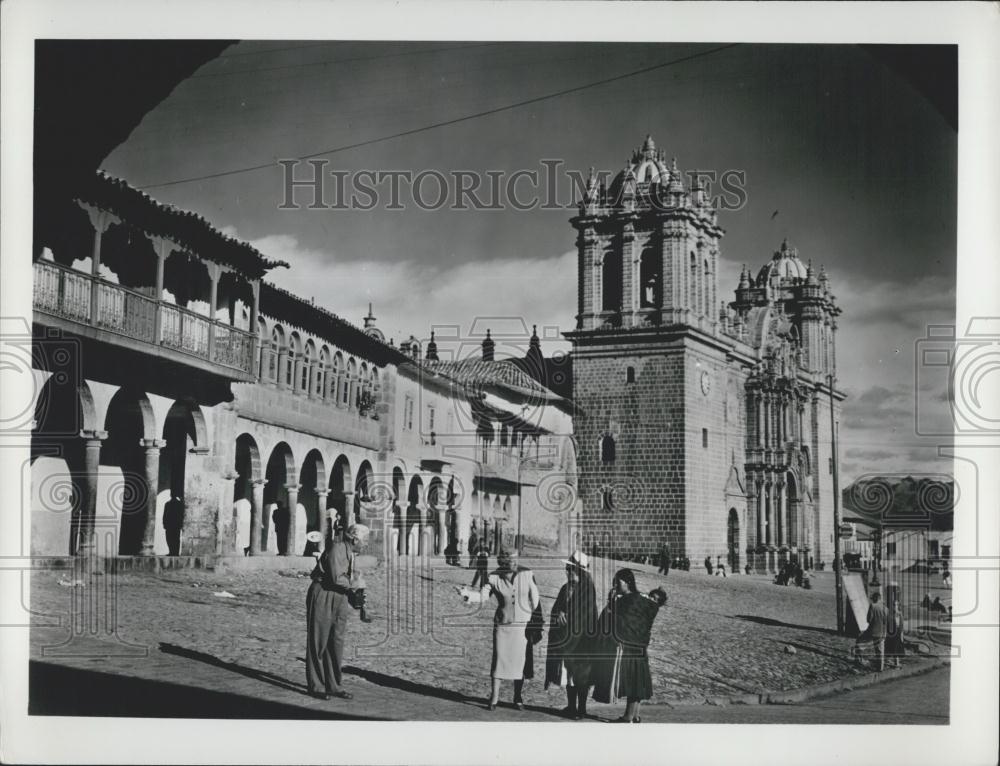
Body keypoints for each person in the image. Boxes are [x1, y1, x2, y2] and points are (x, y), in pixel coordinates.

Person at [458, 549, 540, 711]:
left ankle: (517, 697)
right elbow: (483, 596)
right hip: (503, 626)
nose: (515, 562)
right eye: (511, 560)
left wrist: (534, 619)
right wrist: (466, 594)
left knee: (520, 662)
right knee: (499, 661)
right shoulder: (494, 577)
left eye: (516, 559)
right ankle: (494, 697)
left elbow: (535, 598)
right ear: (503, 561)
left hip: (522, 625)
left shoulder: (527, 574)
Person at [305, 522, 369, 700]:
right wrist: (356, 584)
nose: (366, 544)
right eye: (365, 540)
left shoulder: (351, 553)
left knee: (335, 643)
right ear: (355, 539)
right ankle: (316, 686)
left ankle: (334, 685)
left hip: (340, 597)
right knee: (318, 641)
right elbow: (336, 578)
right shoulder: (338, 549)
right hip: (324, 594)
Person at [592, 569, 665, 723]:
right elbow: (649, 613)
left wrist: (611, 603)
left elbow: (616, 620)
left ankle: (628, 717)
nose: (615, 586)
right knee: (637, 680)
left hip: (629, 645)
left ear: (627, 582)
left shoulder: (626, 600)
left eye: (617, 582)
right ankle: (634, 715)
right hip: (639, 644)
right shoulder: (642, 599)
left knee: (632, 681)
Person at [544, 550, 598, 719]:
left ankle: (581, 709)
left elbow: (585, 616)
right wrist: (559, 613)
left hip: (581, 641)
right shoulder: (565, 588)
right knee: (568, 675)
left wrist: (569, 620)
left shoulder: (587, 590)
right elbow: (557, 608)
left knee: (580, 676)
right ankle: (571, 707)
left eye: (570, 569)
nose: (567, 572)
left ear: (578, 571)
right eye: (567, 569)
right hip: (567, 639)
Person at [854, 591, 888, 672]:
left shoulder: (873, 606)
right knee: (880, 651)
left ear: (875, 599)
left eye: (873, 599)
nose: (872, 600)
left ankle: (859, 660)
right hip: (882, 632)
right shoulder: (886, 609)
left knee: (859, 642)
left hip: (872, 631)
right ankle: (880, 668)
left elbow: (869, 619)